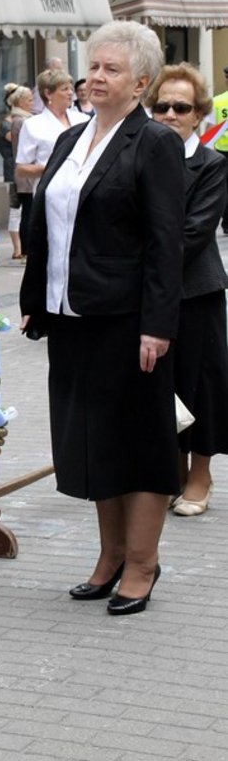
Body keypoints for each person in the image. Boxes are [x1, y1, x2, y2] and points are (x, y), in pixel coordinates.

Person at [20, 20, 186, 616]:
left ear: (141, 82)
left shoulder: (155, 143)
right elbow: (47, 227)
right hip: (72, 316)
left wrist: (158, 325)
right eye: (92, 67)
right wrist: (35, 301)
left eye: (111, 69)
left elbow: (165, 242)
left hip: (128, 320)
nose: (94, 77)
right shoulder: (70, 140)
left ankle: (142, 563)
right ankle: (110, 555)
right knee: (92, 441)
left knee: (139, 442)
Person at [147, 63, 228, 516]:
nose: (170, 114)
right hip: (149, 290)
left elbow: (195, 233)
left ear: (199, 114)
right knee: (163, 381)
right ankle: (171, 469)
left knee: (201, 383)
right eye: (162, 106)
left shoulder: (212, 164)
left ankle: (201, 474)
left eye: (181, 107)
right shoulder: (140, 156)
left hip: (195, 291)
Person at [15, 67, 88, 194]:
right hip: (50, 191)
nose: (70, 93)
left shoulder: (83, 120)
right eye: (65, 89)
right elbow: (21, 169)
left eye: (71, 88)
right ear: (48, 93)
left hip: (82, 190)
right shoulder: (33, 125)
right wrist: (50, 168)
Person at [4, 83, 34, 258]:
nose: (31, 102)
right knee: (27, 211)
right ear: (20, 101)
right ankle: (26, 249)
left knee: (28, 211)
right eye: (29, 99)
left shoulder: (24, 119)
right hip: (26, 173)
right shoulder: (21, 121)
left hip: (27, 172)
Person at [208, 66, 228, 232]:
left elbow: (210, 128)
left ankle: (227, 222)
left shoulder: (218, 101)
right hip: (222, 151)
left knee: (224, 187)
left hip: (222, 150)